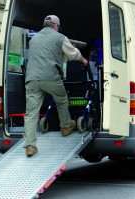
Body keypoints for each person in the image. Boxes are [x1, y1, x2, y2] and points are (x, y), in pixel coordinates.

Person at [24, 15, 88, 156]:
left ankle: (30, 146)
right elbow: (72, 54)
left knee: (31, 113)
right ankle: (65, 127)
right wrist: (84, 60)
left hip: (32, 78)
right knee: (61, 98)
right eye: (57, 27)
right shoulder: (60, 37)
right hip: (50, 77)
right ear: (55, 26)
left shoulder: (33, 39)